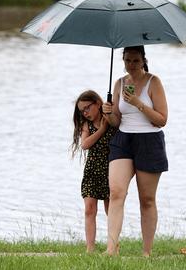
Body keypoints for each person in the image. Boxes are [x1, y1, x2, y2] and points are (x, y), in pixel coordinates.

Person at [102, 45, 168, 257]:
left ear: (143, 60)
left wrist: (139, 103)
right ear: (123, 60)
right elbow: (115, 121)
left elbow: (162, 120)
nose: (131, 65)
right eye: (128, 60)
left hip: (149, 140)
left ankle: (146, 252)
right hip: (123, 138)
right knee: (116, 192)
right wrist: (108, 113)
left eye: (136, 61)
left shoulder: (153, 82)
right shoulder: (120, 83)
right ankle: (111, 249)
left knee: (146, 199)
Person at [71, 90, 117, 253]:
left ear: (98, 103)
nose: (85, 113)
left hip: (110, 170)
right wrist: (101, 130)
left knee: (110, 209)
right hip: (92, 171)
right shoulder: (86, 125)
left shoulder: (109, 119)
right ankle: (90, 248)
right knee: (89, 209)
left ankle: (113, 245)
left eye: (87, 108)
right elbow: (85, 144)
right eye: (82, 110)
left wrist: (107, 124)